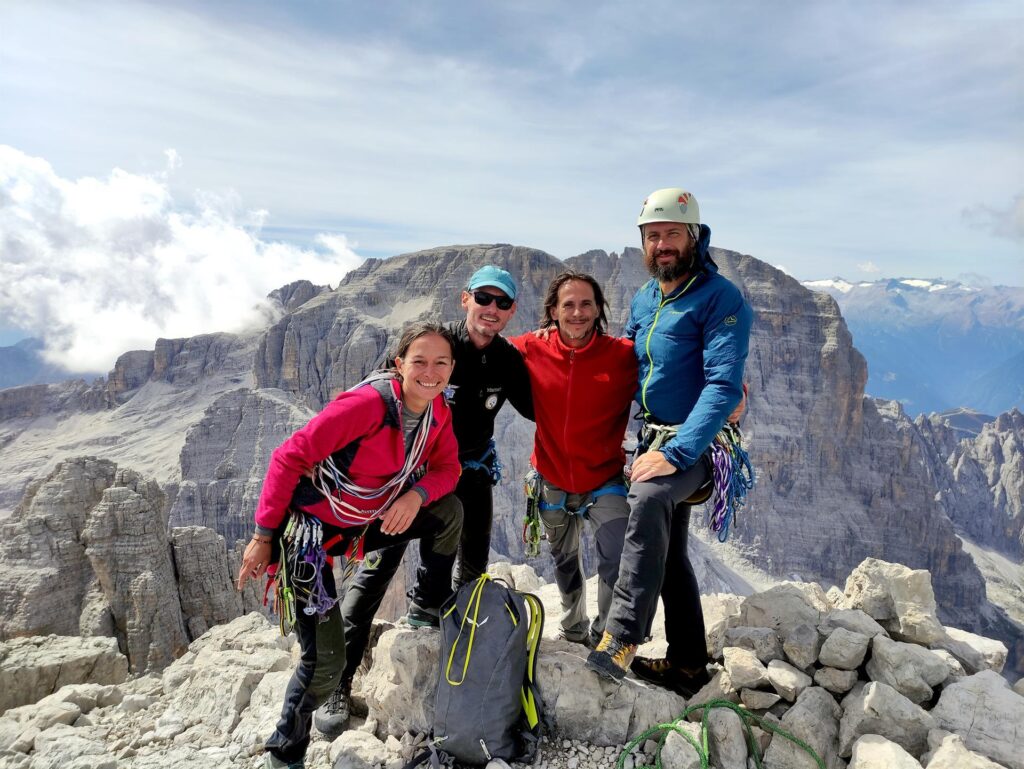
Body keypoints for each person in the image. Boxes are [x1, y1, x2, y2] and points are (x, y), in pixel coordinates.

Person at [314, 266, 533, 735]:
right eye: (483, 298)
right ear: (465, 299)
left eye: (501, 302)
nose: (490, 309)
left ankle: (461, 670)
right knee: (375, 573)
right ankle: (337, 682)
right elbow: (384, 385)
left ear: (511, 311)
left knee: (473, 571)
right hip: (407, 479)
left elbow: (545, 406)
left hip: (469, 473)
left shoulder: (507, 361)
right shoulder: (439, 346)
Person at [236, 322, 463, 769]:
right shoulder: (369, 404)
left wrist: (416, 495)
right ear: (400, 364)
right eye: (420, 361)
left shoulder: (437, 414)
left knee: (449, 511)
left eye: (441, 363)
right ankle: (284, 752)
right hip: (309, 536)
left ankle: (427, 607)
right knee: (325, 663)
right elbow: (288, 457)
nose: (430, 372)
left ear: (452, 369)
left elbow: (449, 468)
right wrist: (264, 536)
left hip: (360, 523)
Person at [585, 187, 753, 696]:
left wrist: (675, 453)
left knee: (651, 498)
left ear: (695, 237)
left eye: (672, 234)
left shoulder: (721, 298)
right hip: (653, 438)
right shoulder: (645, 298)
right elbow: (627, 368)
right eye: (652, 235)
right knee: (671, 552)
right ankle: (687, 664)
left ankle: (622, 635)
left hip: (703, 443)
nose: (662, 244)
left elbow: (723, 386)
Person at [509, 271, 637, 647]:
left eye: (586, 304)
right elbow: (481, 350)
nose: (578, 312)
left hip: (605, 479)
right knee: (564, 562)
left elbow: (669, 375)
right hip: (551, 479)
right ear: (553, 310)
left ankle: (604, 636)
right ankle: (573, 627)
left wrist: (732, 393)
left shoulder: (622, 356)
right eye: (569, 305)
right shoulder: (532, 347)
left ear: (599, 309)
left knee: (615, 555)